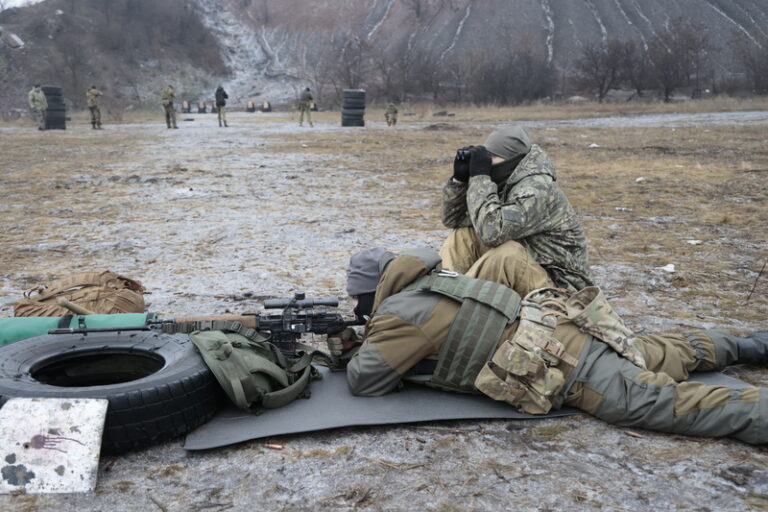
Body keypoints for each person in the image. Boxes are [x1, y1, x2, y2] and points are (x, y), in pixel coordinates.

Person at [332, 246, 768, 445]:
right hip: (572, 330)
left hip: (570, 369)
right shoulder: (434, 279)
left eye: (356, 299)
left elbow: (366, 380)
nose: (355, 306)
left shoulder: (399, 316)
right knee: (657, 350)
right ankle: (748, 346)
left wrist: (351, 344)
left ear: (373, 291)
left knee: (658, 402)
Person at [440, 125, 592, 291]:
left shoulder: (536, 188)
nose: (486, 162)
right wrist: (459, 180)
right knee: (463, 235)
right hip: (532, 266)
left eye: (492, 157)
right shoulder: (505, 181)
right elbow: (453, 219)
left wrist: (480, 177)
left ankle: (457, 298)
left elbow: (492, 233)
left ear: (512, 160)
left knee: (507, 254)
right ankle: (443, 291)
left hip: (561, 285)